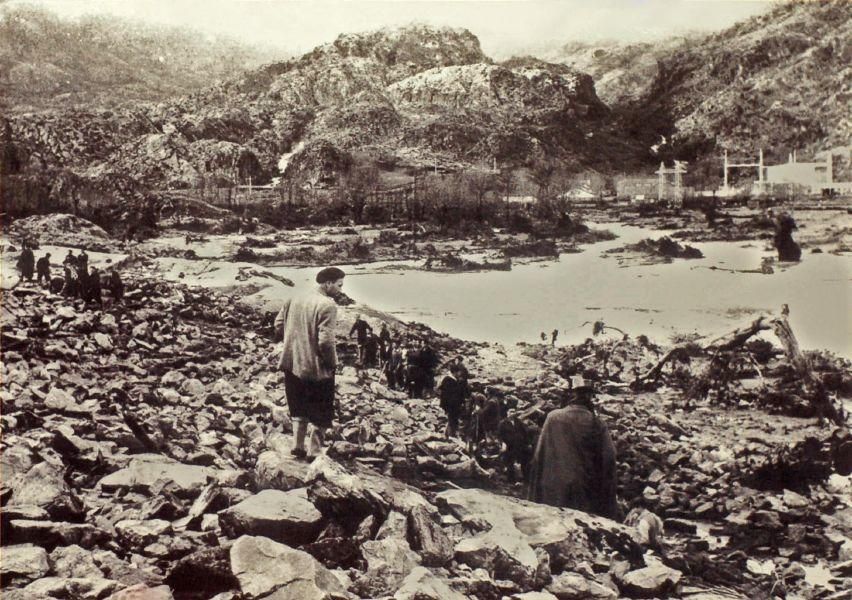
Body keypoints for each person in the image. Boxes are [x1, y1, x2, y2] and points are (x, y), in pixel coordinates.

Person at [275, 266, 345, 460]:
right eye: (339, 285)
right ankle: (314, 451)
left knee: (297, 403)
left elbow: (278, 325)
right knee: (322, 408)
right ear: (328, 283)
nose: (341, 289)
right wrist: (332, 363)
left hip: (292, 362)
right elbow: (326, 342)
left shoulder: (294, 296)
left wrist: (293, 344)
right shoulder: (327, 305)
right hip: (315, 367)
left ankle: (297, 445)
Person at [527, 382, 617, 519]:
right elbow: (609, 457)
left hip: (553, 486)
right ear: (589, 397)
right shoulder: (596, 423)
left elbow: (539, 455)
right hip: (584, 488)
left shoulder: (553, 417)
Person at [438, 364, 468, 438]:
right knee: (452, 420)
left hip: (453, 405)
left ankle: (450, 435)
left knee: (453, 420)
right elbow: (449, 396)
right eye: (459, 372)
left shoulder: (452, 380)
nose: (460, 374)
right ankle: (450, 436)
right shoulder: (449, 380)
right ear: (455, 372)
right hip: (451, 406)